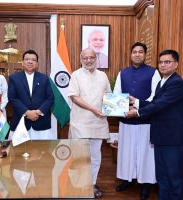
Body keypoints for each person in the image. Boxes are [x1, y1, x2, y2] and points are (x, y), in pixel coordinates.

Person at [126, 49, 183, 200]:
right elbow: (155, 103)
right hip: (160, 138)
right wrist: (136, 102)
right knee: (162, 178)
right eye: (160, 62)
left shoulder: (177, 83)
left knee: (173, 179)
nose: (163, 65)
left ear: (176, 65)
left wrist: (137, 112)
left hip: (172, 140)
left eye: (167, 62)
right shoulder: (162, 82)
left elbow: (160, 105)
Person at [113, 42, 161, 200]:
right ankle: (128, 179)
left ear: (145, 54)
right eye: (135, 52)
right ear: (131, 54)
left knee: (144, 154)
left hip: (145, 121)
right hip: (126, 120)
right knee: (126, 153)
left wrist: (137, 109)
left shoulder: (154, 73)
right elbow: (117, 93)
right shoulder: (123, 73)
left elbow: (155, 97)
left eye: (141, 52)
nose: (137, 54)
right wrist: (125, 110)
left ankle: (145, 184)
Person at [68, 48, 111, 198]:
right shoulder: (76, 75)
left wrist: (117, 106)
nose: (88, 60)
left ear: (96, 59)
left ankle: (92, 183)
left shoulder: (103, 75)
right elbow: (74, 97)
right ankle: (79, 186)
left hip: (98, 122)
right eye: (85, 58)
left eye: (91, 57)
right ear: (81, 60)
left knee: (95, 155)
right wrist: (94, 109)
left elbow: (108, 96)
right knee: (80, 156)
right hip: (80, 122)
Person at [8, 49, 54, 140]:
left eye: (33, 60)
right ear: (22, 62)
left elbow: (50, 98)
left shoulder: (44, 78)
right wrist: (27, 112)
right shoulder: (14, 78)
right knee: (18, 153)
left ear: (37, 64)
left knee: (42, 152)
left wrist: (38, 112)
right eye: (27, 59)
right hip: (20, 122)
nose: (30, 62)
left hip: (41, 123)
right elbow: (12, 98)